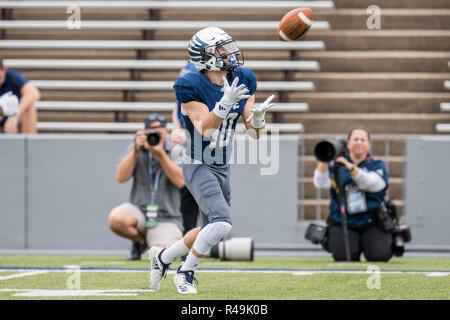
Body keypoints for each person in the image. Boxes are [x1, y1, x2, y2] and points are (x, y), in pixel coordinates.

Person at [148, 27, 275, 294]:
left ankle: (162, 258)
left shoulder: (243, 77)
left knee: (212, 229)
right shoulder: (189, 84)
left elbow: (254, 134)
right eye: (222, 49)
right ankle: (185, 272)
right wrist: (225, 104)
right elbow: (205, 128)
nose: (230, 52)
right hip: (198, 162)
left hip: (222, 165)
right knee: (222, 223)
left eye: (229, 46)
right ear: (206, 57)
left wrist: (259, 118)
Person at [108, 113, 185, 260]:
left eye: (159, 129)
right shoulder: (137, 148)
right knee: (116, 218)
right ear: (145, 132)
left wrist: (161, 154)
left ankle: (151, 242)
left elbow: (180, 181)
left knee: (163, 256)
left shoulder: (176, 149)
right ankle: (140, 241)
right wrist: (135, 150)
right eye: (151, 130)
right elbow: (120, 177)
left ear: (166, 132)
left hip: (167, 217)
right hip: (140, 211)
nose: (155, 133)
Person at [313, 125, 393, 262]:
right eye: (355, 139)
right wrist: (324, 158)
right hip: (343, 220)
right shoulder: (335, 165)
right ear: (348, 143)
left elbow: (375, 185)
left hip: (371, 220)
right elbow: (321, 183)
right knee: (343, 257)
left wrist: (349, 166)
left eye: (363, 140)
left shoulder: (377, 165)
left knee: (379, 256)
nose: (359, 143)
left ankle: (369, 244)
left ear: (369, 144)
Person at [171, 61, 200, 234]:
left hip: (205, 144)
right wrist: (176, 129)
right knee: (187, 193)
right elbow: (177, 107)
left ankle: (202, 237)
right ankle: (188, 236)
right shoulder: (190, 70)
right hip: (187, 145)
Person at [0, 58, 40, 134]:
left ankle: (29, 142)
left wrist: (15, 114)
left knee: (29, 107)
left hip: (9, 116)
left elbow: (34, 93)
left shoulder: (12, 77)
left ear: (4, 70)